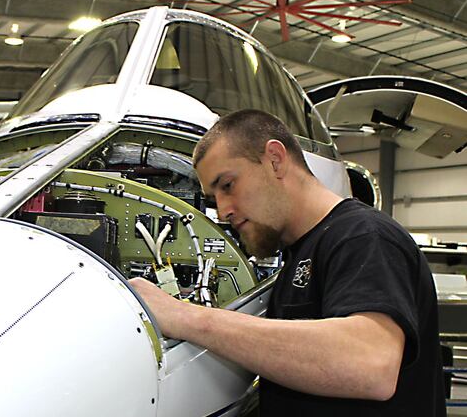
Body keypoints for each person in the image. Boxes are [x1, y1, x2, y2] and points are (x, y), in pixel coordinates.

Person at [129, 109, 445, 416]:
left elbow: (370, 364)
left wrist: (186, 317)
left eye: (228, 186)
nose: (223, 211)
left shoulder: (363, 237)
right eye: (214, 198)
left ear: (275, 160)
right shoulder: (303, 251)